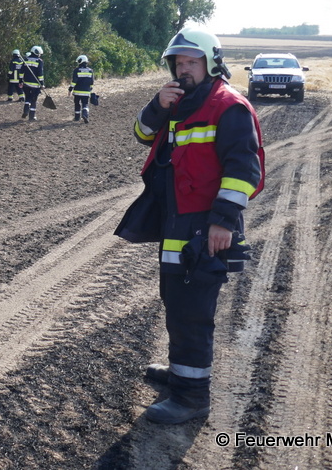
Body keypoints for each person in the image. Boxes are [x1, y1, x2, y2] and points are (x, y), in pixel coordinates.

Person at [114, 27, 265, 425]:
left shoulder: (228, 106)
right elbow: (142, 134)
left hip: (204, 226)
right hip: (176, 221)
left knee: (193, 310)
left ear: (211, 63)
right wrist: (156, 105)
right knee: (176, 300)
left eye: (191, 62)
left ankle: (192, 396)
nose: (183, 70)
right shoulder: (179, 103)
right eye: (178, 63)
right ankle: (181, 373)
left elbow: (244, 171)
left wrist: (222, 223)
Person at [21, 45, 45, 121]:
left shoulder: (25, 60)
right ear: (37, 53)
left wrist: (20, 81)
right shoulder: (39, 61)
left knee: (27, 97)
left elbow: (21, 72)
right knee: (34, 100)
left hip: (26, 83)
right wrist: (42, 83)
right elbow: (40, 74)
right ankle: (32, 116)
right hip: (35, 84)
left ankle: (26, 110)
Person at [69, 54, 95, 123]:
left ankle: (77, 117)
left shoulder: (76, 70)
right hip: (86, 91)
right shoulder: (90, 71)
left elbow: (74, 81)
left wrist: (70, 89)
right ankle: (85, 114)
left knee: (77, 103)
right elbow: (92, 82)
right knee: (85, 104)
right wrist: (90, 89)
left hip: (77, 91)